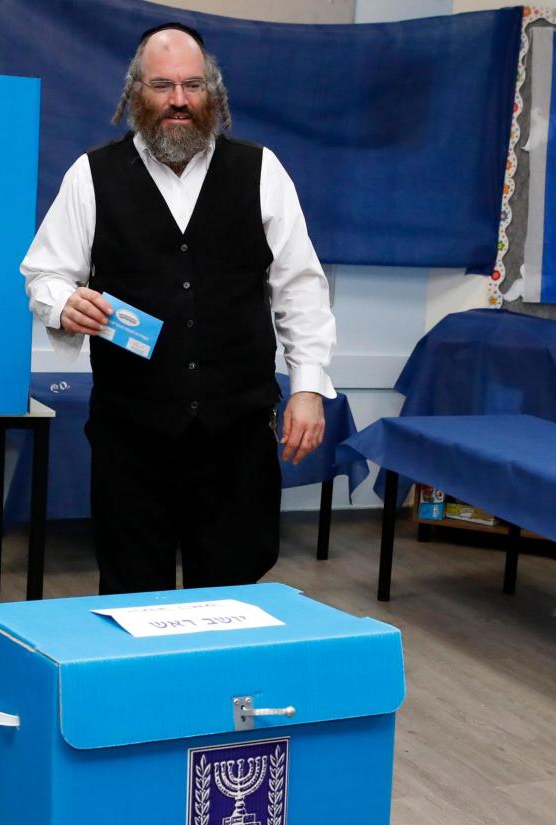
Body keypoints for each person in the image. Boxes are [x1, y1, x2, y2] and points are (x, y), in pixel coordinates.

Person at [21, 22, 336, 599]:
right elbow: (43, 272)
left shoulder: (262, 172)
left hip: (237, 434)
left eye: (192, 85)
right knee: (131, 592)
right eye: (162, 85)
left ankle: (231, 693)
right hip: (131, 436)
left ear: (212, 91)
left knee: (236, 591)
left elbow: (301, 287)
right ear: (135, 92)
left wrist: (309, 387)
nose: (178, 101)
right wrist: (63, 303)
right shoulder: (91, 176)